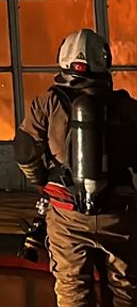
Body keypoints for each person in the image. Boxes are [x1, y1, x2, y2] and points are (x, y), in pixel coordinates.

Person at [15, 28, 137, 306]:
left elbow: (24, 152)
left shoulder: (46, 104)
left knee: (72, 290)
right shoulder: (129, 108)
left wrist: (43, 181)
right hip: (119, 216)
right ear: (104, 61)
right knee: (125, 291)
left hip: (67, 215)